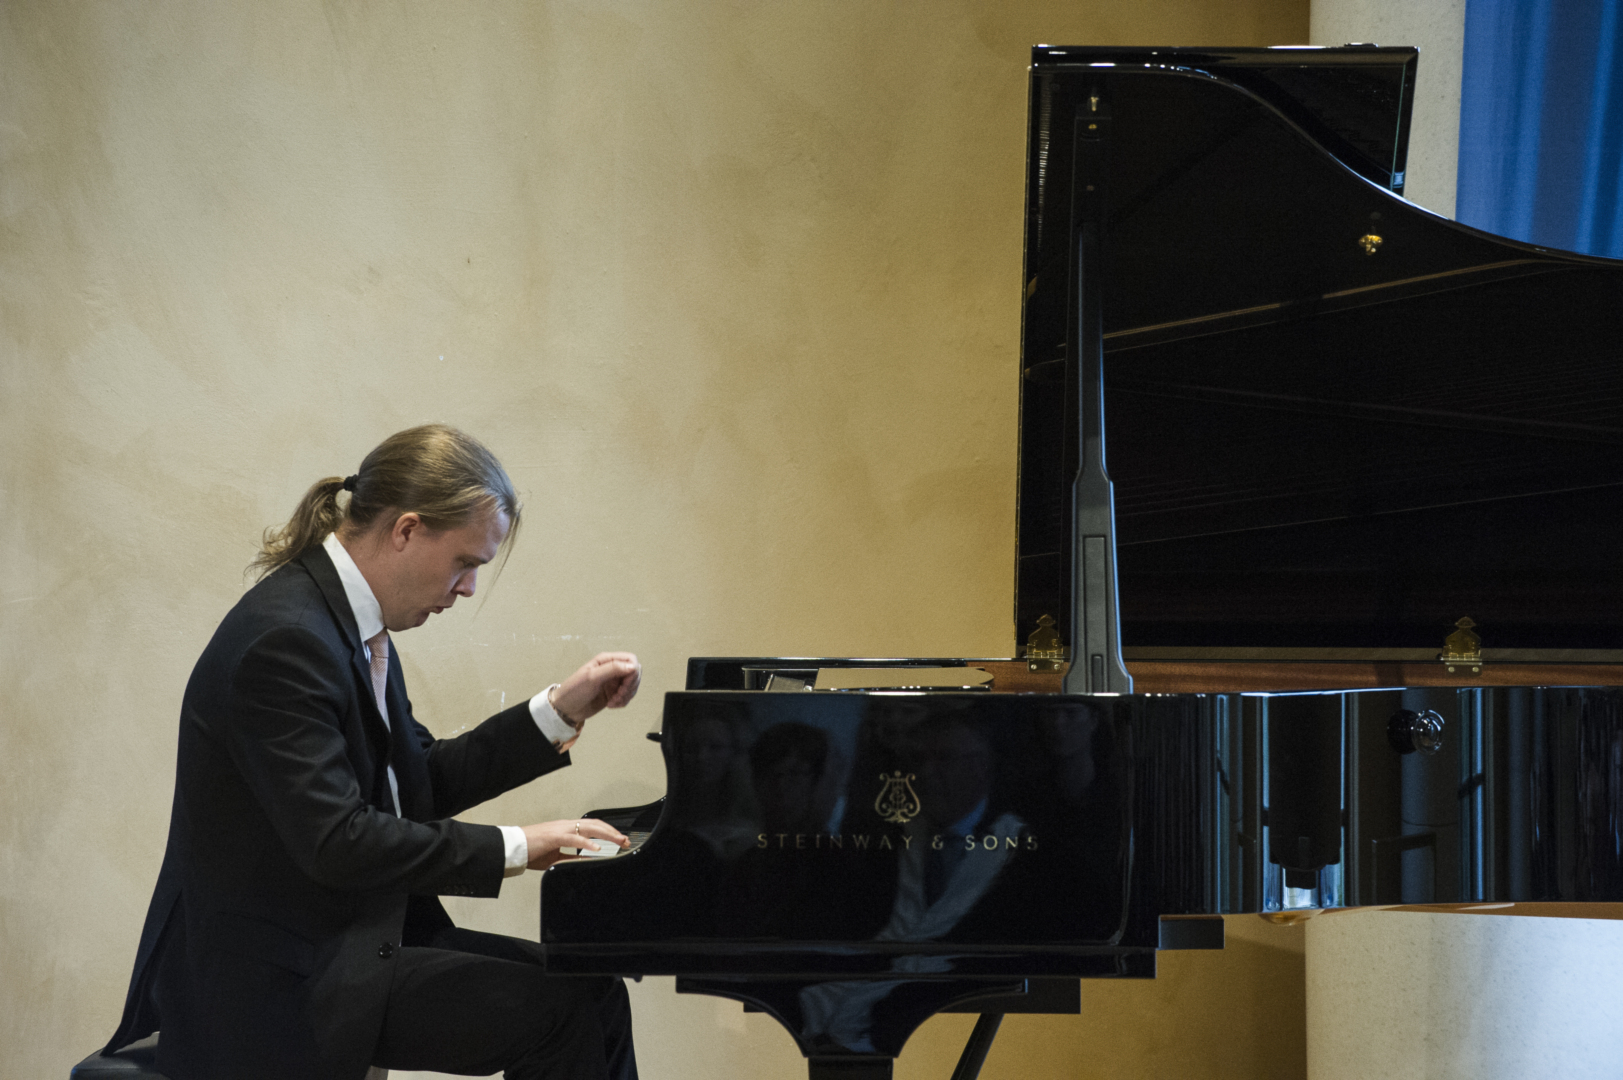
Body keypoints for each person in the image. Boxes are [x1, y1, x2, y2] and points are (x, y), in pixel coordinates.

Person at [103, 424, 641, 1080]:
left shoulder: (353, 629)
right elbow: (338, 840)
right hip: (275, 982)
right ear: (407, 530)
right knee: (560, 1013)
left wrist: (560, 710)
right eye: (466, 563)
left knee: (595, 993)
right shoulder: (286, 641)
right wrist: (518, 847)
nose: (468, 589)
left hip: (346, 943)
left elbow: (416, 785)